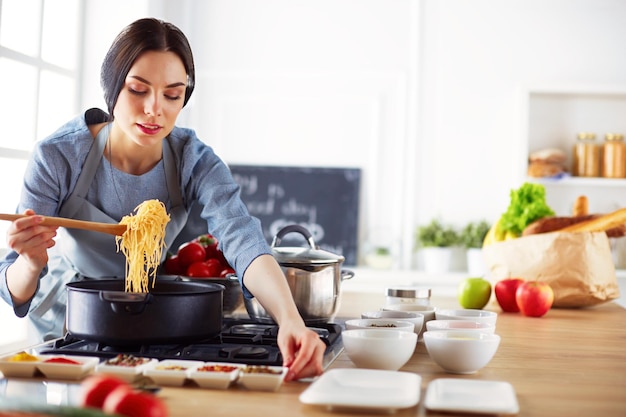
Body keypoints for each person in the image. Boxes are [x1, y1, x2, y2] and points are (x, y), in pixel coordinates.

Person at [0, 18, 325, 382]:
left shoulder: (193, 159)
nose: (155, 109)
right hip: (69, 321)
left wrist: (290, 321)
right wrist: (30, 261)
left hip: (149, 318)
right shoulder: (58, 156)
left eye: (172, 95)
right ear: (111, 90)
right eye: (139, 90)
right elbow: (11, 287)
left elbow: (243, 238)